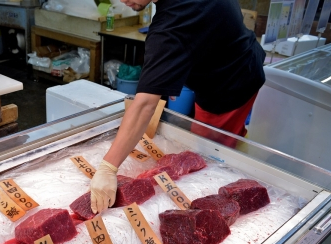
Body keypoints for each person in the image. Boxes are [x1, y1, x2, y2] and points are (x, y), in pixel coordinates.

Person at [90, 0, 266, 214]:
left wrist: (109, 167)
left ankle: (222, 209)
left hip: (230, 81)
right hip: (235, 51)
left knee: (210, 160)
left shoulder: (172, 24)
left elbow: (145, 104)